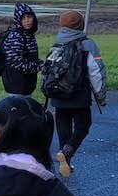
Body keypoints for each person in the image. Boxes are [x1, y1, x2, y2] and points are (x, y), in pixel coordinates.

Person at [45, 11, 107, 178]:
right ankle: (68, 151)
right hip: (79, 95)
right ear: (80, 24)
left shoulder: (57, 43)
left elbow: (48, 71)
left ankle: (66, 158)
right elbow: (97, 72)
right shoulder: (88, 44)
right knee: (83, 126)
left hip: (58, 95)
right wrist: (101, 96)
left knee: (63, 128)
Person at [1, 2, 41, 96]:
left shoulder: (29, 34)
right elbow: (14, 61)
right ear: (18, 20)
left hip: (26, 83)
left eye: (29, 17)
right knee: (19, 109)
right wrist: (37, 67)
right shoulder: (16, 35)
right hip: (16, 84)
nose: (27, 20)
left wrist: (41, 64)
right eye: (23, 18)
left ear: (34, 17)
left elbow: (30, 57)